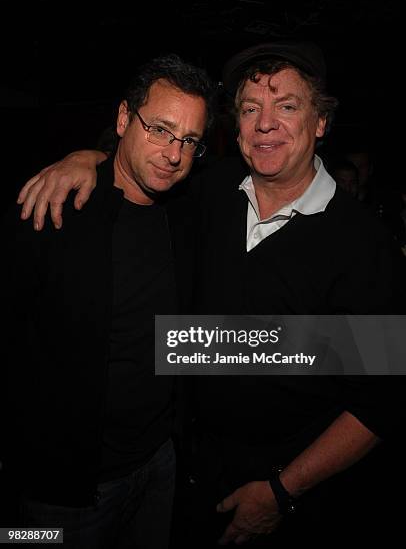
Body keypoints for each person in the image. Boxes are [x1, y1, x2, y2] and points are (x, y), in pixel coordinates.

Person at [14, 40, 405, 546]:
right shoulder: (208, 191)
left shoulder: (361, 244)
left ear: (321, 122)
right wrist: (85, 159)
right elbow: (142, 160)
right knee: (23, 537)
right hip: (177, 477)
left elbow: (381, 399)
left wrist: (282, 491)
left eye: (287, 106)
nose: (265, 124)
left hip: (288, 495)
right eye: (249, 108)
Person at [2, 53, 215, 549]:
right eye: (160, 130)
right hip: (63, 488)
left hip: (160, 464)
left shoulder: (186, 215)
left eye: (188, 140)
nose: (173, 153)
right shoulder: (53, 209)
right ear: (123, 119)